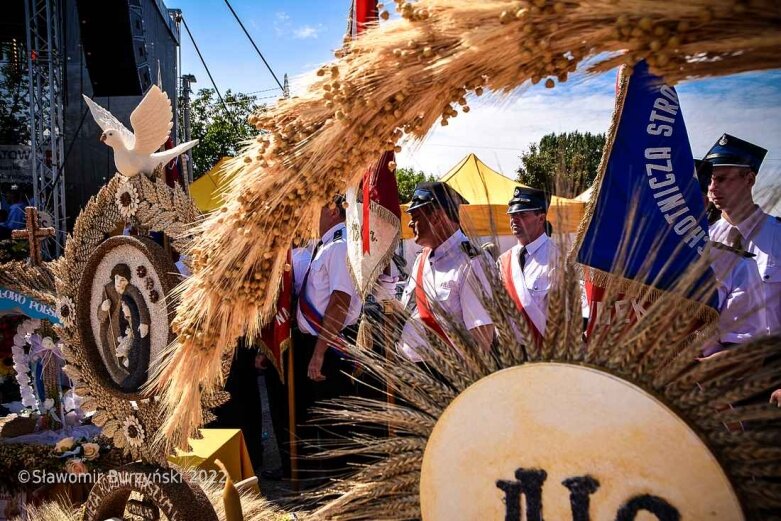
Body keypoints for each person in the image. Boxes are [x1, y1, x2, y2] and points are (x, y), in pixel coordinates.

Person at [294, 195, 361, 483]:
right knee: (324, 420)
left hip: (331, 345)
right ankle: (330, 486)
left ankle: (339, 488)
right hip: (321, 341)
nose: (310, 215)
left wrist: (319, 352)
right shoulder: (327, 245)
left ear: (333, 210)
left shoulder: (339, 245)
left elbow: (340, 301)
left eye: (315, 208)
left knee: (335, 423)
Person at [398, 182, 494, 364]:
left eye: (415, 216)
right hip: (412, 370)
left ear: (435, 217)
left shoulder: (472, 261)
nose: (410, 223)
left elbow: (482, 335)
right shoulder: (421, 259)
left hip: (447, 375)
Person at [705, 133, 779, 338]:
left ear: (750, 179)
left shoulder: (778, 237)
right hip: (706, 359)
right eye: (709, 180)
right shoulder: (702, 238)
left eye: (721, 179)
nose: (712, 188)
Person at [693, 159, 766, 356]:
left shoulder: (737, 264)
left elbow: (746, 347)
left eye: (722, 179)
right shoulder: (622, 258)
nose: (713, 188)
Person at [497, 187, 558, 343]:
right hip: (512, 352)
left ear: (541, 218)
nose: (514, 219)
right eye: (512, 214)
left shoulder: (559, 258)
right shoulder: (504, 260)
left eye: (522, 214)